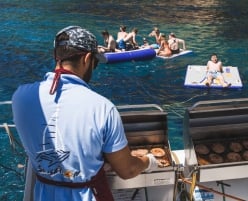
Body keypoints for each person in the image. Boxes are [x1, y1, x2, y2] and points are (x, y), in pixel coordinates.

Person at [12, 26, 158, 201]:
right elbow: (127, 170)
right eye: (95, 63)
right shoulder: (102, 107)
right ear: (87, 59)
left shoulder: (20, 97)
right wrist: (149, 161)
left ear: (56, 56)